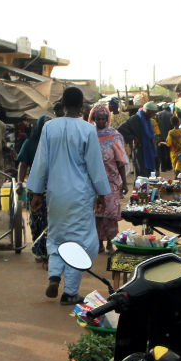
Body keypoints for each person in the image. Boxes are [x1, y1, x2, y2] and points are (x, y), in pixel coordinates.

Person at [26, 86, 110, 305]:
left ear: (62, 104)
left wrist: (36, 193)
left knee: (56, 234)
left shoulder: (49, 127)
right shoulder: (87, 130)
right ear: (81, 107)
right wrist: (102, 193)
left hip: (55, 194)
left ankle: (54, 274)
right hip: (80, 195)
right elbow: (95, 165)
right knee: (80, 241)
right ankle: (70, 292)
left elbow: (40, 162)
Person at [17, 111, 54, 267]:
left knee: (49, 221)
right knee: (36, 221)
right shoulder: (31, 143)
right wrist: (19, 182)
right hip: (36, 187)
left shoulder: (56, 143)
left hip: (53, 187)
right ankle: (39, 250)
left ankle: (47, 254)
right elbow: (23, 164)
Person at [90, 103, 129, 252]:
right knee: (97, 213)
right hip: (94, 183)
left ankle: (111, 242)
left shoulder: (114, 136)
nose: (100, 122)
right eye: (97, 119)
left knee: (111, 213)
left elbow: (120, 162)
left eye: (103, 119)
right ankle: (99, 242)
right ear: (93, 119)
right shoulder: (89, 135)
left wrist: (124, 183)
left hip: (111, 182)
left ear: (107, 119)